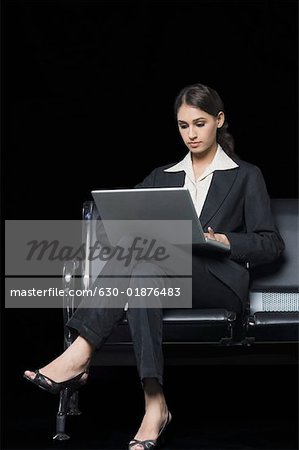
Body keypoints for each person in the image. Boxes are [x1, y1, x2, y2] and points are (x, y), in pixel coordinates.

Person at [24, 82, 285, 450]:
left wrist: (226, 240)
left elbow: (271, 244)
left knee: (145, 260)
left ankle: (81, 353)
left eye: (199, 123)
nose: (191, 134)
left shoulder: (246, 175)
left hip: (218, 281)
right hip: (162, 277)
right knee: (144, 267)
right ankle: (154, 401)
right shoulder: (162, 176)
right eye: (183, 126)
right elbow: (122, 223)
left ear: (219, 120)